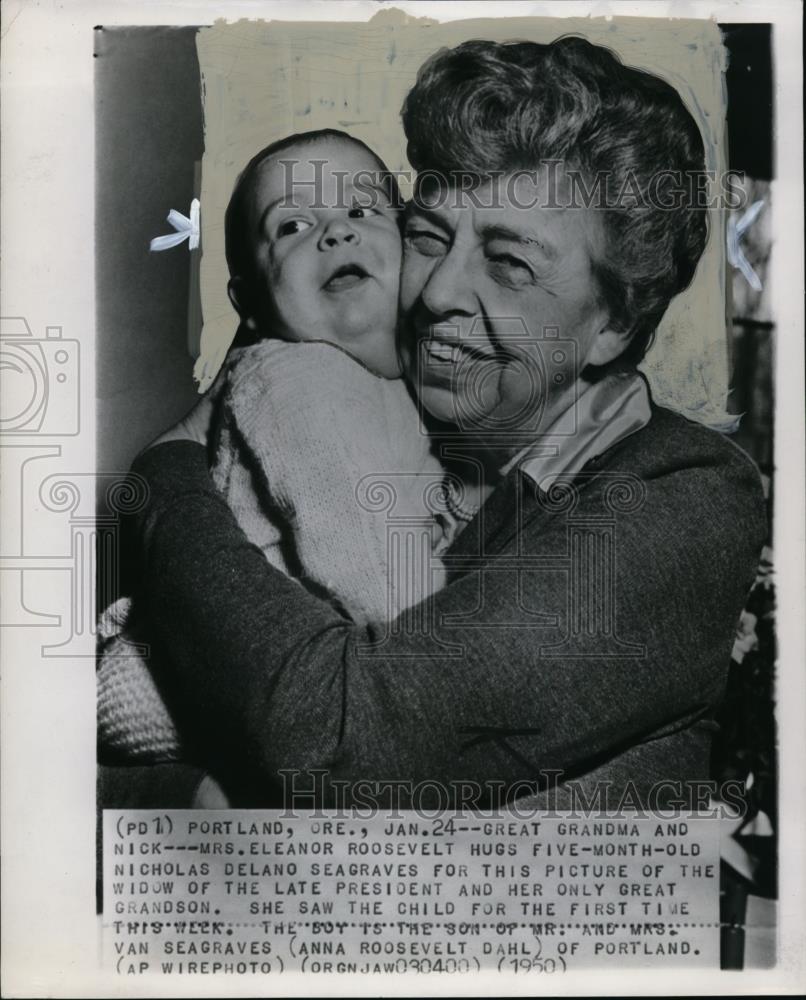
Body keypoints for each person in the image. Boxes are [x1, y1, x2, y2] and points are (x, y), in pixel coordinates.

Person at [119, 36, 767, 810]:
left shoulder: (682, 495)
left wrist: (165, 479)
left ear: (615, 323)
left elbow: (340, 743)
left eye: (509, 262)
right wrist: (186, 790)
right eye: (429, 237)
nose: (436, 295)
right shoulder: (368, 427)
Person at [98, 130, 448, 764]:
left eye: (362, 211)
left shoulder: (397, 385)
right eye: (291, 226)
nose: (336, 233)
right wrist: (446, 658)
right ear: (250, 304)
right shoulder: (300, 380)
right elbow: (364, 554)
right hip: (192, 680)